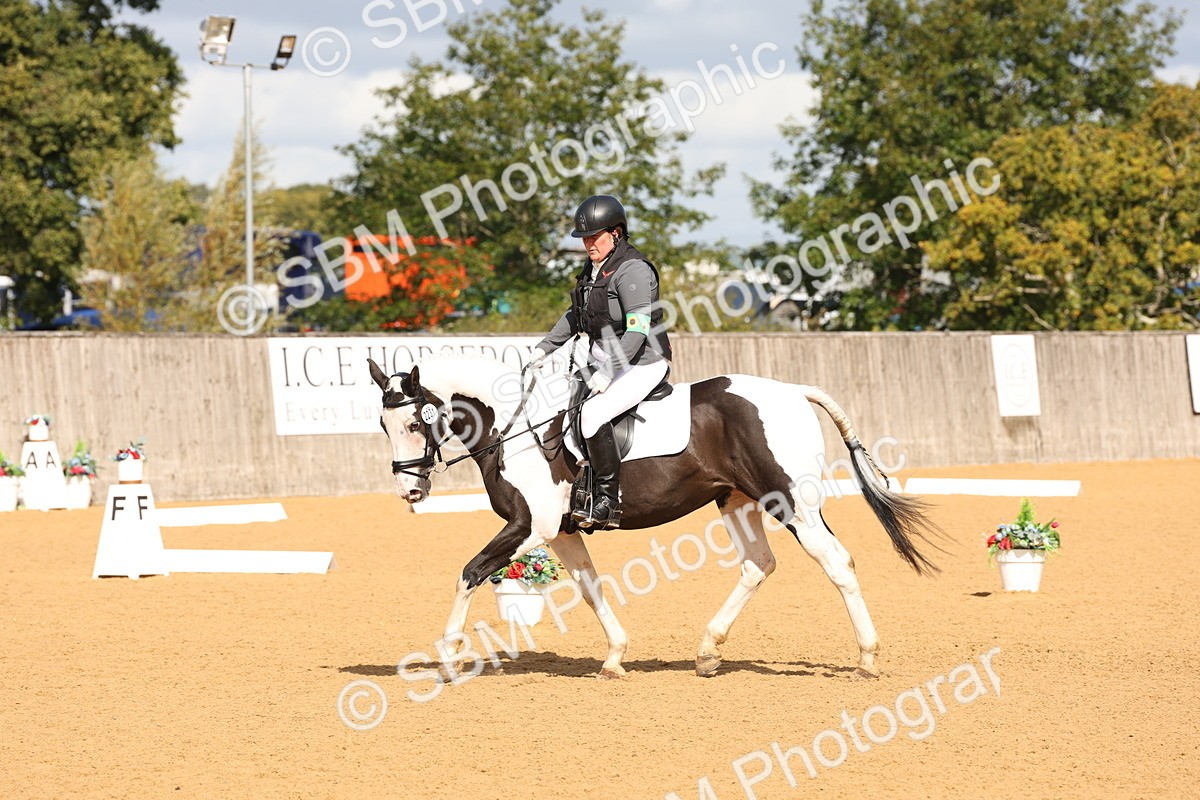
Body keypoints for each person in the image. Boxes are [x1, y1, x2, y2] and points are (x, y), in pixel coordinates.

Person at [529, 195, 673, 530]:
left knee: (592, 415)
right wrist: (543, 349)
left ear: (617, 233)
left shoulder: (632, 270)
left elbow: (638, 327)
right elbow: (575, 314)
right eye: (585, 238)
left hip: (643, 361)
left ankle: (608, 501)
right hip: (609, 361)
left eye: (595, 236)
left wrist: (608, 371)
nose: (589, 243)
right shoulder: (593, 270)